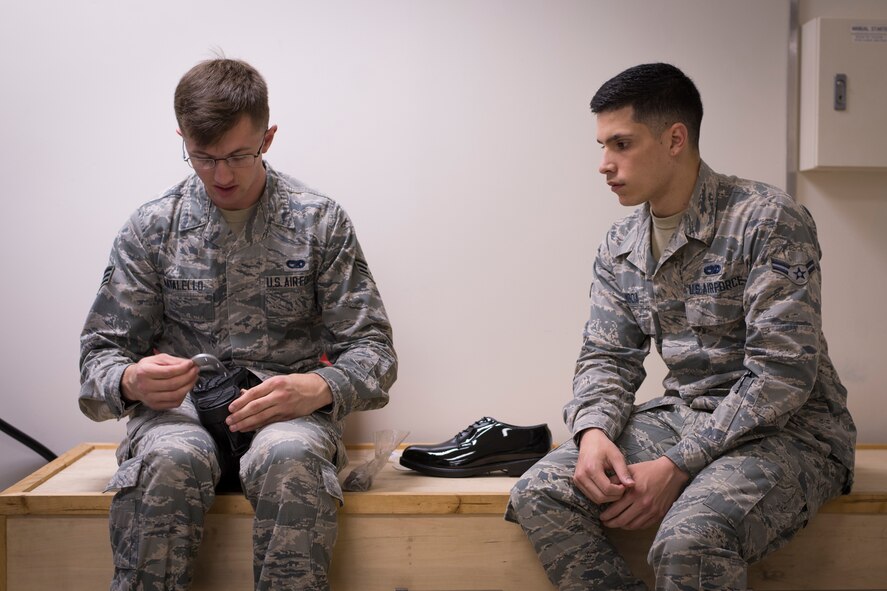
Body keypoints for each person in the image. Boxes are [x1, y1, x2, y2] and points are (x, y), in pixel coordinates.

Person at [507, 63, 856, 590]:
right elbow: (607, 356)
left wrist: (676, 465)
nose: (604, 164)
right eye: (602, 146)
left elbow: (781, 377)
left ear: (675, 139)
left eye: (621, 144)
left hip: (794, 432)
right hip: (686, 416)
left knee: (692, 539)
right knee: (541, 491)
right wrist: (593, 430)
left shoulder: (765, 219)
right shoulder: (621, 242)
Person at [79, 57, 397, 591]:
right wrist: (130, 380)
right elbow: (99, 355)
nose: (222, 175)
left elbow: (373, 352)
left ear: (268, 138)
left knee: (292, 457)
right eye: (203, 157)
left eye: (238, 155)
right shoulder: (152, 227)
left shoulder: (319, 222)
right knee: (169, 460)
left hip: (285, 418)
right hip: (178, 418)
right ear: (182, 137)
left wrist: (319, 386)